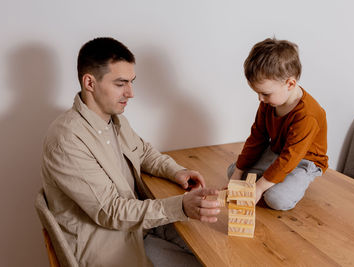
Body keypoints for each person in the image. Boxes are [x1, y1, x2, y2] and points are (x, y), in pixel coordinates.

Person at [41, 37, 221, 267]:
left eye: (131, 82)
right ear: (89, 83)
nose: (131, 93)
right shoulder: (67, 140)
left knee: (216, 247)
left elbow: (143, 152)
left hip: (139, 226)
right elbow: (110, 211)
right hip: (110, 247)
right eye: (120, 83)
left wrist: (177, 171)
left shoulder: (114, 120)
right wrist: (181, 206)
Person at [227, 37, 328, 210]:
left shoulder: (307, 114)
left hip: (304, 160)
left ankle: (292, 183)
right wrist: (237, 174)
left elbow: (290, 158)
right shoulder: (269, 103)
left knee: (277, 199)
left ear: (290, 83)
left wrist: (258, 188)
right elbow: (257, 138)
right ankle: (272, 180)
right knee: (233, 172)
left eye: (265, 93)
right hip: (278, 151)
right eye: (258, 93)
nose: (260, 99)